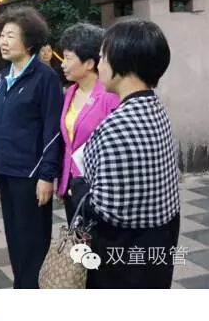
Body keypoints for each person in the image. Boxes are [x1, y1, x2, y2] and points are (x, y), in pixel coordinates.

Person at [69, 19, 180, 289]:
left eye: (103, 56)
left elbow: (104, 212)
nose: (99, 64)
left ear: (123, 62)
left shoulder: (117, 124)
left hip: (123, 258)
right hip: (159, 243)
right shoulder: (155, 108)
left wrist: (79, 187)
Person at [0, 6, 63, 289]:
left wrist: (46, 175)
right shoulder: (4, 75)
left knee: (32, 243)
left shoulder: (45, 77)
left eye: (10, 36)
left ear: (28, 42)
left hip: (31, 176)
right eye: (1, 35)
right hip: (7, 171)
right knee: (15, 240)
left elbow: (53, 131)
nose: (3, 41)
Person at [56, 23, 119, 224]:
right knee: (77, 240)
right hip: (71, 186)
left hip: (97, 190)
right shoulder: (70, 93)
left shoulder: (110, 97)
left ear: (90, 63)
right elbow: (68, 143)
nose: (63, 64)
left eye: (68, 58)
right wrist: (64, 182)